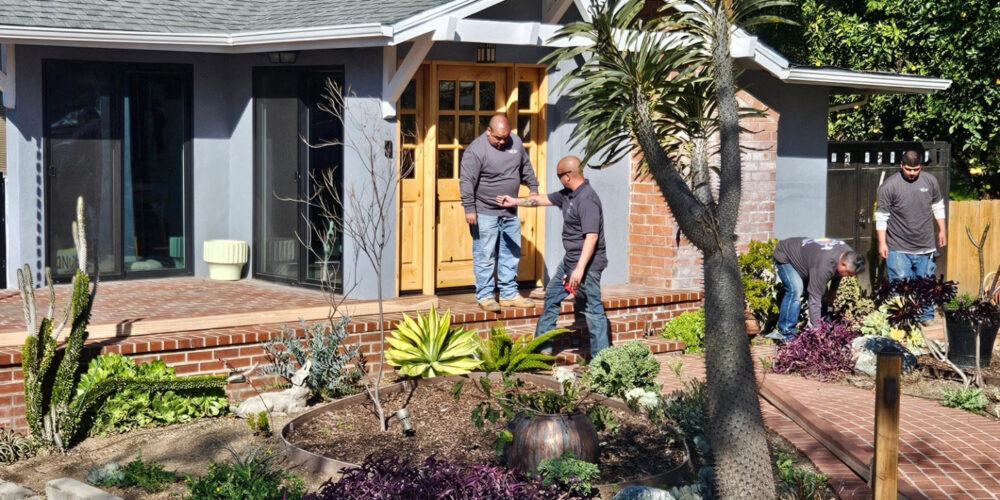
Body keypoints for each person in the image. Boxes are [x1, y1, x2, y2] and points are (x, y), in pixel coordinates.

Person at [497, 156, 610, 358]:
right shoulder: (568, 195)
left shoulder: (587, 200)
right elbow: (541, 199)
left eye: (559, 176)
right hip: (569, 262)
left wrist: (580, 269)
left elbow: (592, 237)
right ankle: (542, 352)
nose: (559, 180)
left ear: (568, 176)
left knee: (593, 311)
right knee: (552, 297)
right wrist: (515, 201)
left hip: (587, 266)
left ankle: (602, 362)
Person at [460, 114, 540, 312]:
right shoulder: (476, 150)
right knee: (485, 255)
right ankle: (486, 296)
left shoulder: (516, 143)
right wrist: (470, 208)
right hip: (485, 211)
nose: (502, 141)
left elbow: (525, 167)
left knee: (511, 253)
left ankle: (509, 294)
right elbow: (466, 180)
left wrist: (534, 188)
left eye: (505, 137)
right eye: (498, 138)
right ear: (488, 131)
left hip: (510, 210)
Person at [875, 149, 947, 325]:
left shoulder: (930, 181)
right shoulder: (889, 186)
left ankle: (926, 318)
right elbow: (882, 217)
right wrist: (882, 242)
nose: (912, 173)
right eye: (908, 169)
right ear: (901, 165)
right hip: (898, 246)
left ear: (921, 167)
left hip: (925, 245)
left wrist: (942, 230)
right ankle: (904, 320)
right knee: (901, 286)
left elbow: (938, 206)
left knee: (926, 284)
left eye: (916, 170)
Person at [765, 237, 866, 342]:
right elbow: (814, 299)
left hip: (809, 260)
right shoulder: (824, 265)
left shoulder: (848, 256)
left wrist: (833, 290)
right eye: (849, 274)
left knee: (823, 293)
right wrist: (817, 331)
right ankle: (787, 335)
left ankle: (824, 328)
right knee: (796, 291)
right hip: (786, 255)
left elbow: (839, 273)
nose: (849, 277)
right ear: (843, 264)